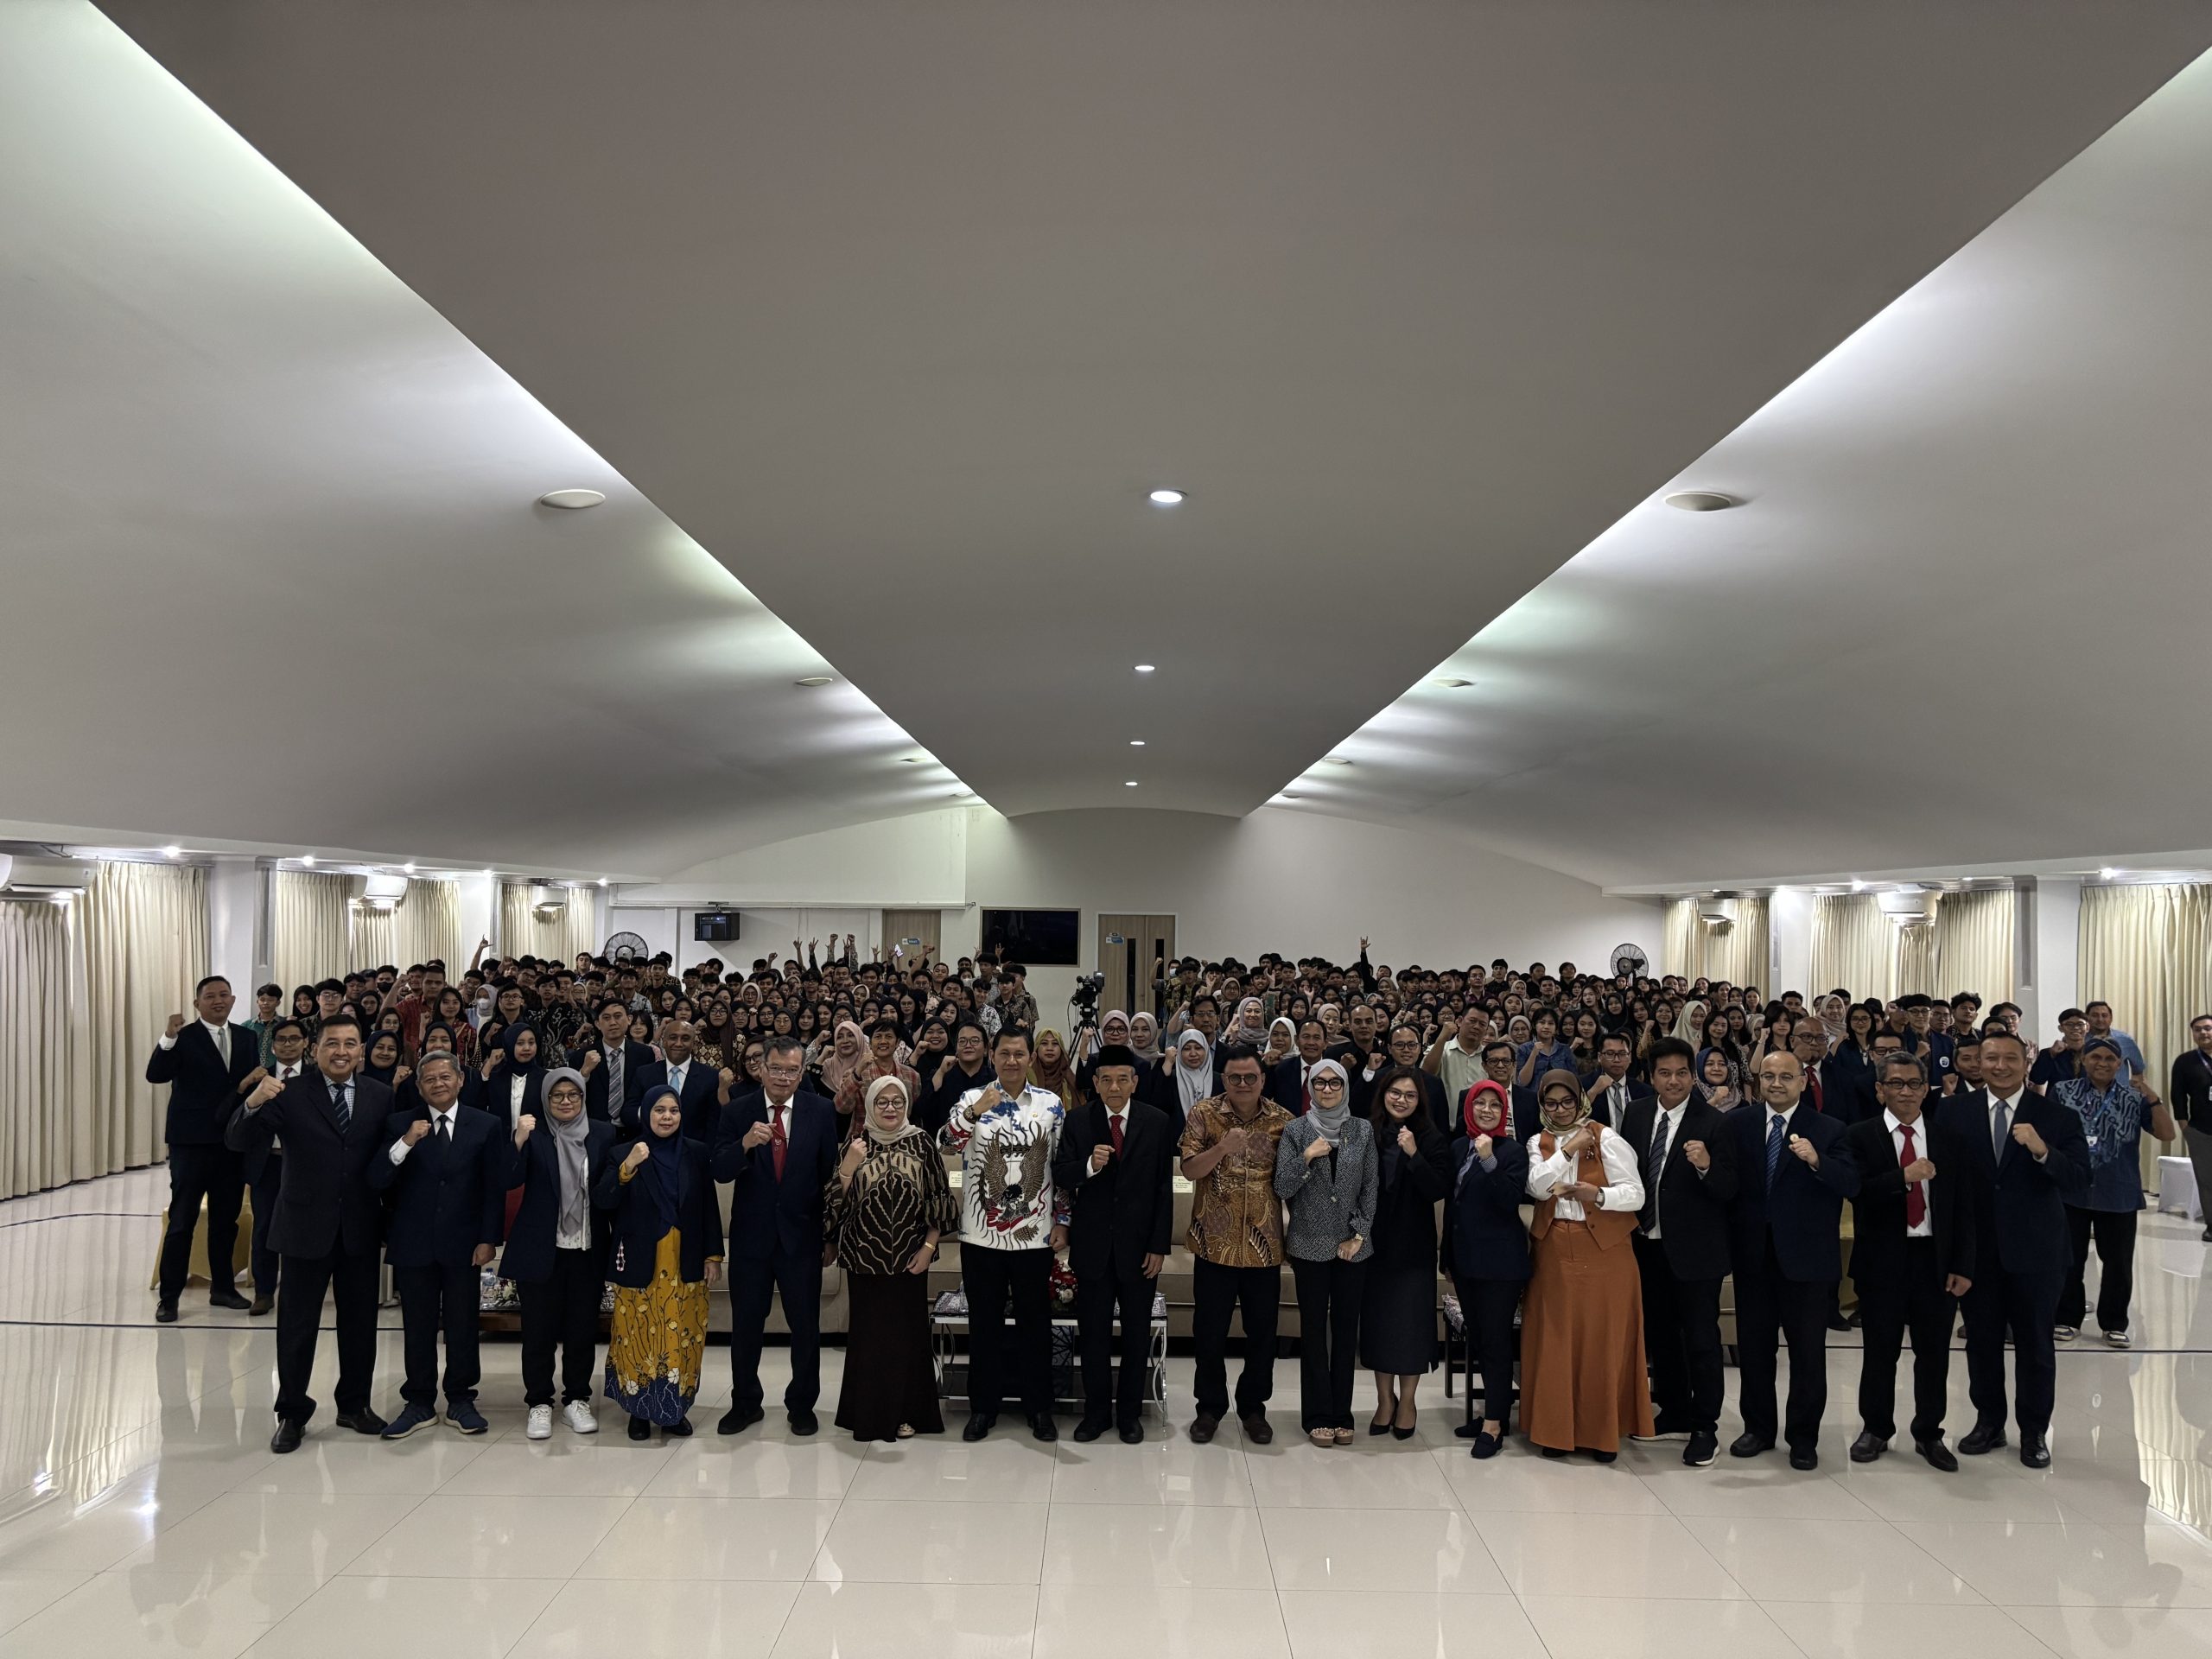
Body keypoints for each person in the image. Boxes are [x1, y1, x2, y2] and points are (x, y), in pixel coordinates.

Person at [226, 1015, 392, 1452]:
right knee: (297, 1326)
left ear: (361, 1051)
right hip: (303, 1227)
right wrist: (253, 1102)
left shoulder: (380, 1095)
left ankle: (354, 1404)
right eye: (332, 1043)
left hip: (359, 1227)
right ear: (314, 1049)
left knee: (360, 1324)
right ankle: (292, 1413)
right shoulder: (290, 1092)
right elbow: (238, 1140)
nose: (342, 1051)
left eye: (351, 1043)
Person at [1937, 1028, 2091, 1468]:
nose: (2000, 1066)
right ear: (1978, 1063)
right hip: (1976, 1254)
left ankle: (2034, 1431)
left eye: (2010, 1058)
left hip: (2038, 1252)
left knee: (2036, 1345)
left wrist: (2043, 1152)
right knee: (1981, 1342)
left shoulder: (2057, 1116)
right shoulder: (1952, 1112)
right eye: (1991, 1058)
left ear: (2027, 1063)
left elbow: (2080, 1179)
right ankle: (1989, 1422)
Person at [1725, 1050, 1859, 1469]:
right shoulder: (1738, 1124)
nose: (1776, 1084)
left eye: (1786, 1076)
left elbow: (1851, 1183)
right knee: (1755, 1350)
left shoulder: (1830, 1129)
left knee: (1807, 1354)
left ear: (1802, 1081)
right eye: (1768, 1076)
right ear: (1758, 1081)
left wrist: (1817, 1160)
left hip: (1807, 1261)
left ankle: (1803, 1438)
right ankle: (1758, 1429)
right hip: (1753, 1258)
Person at [1843, 1052, 1975, 1471]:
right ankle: (1875, 1428)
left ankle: (1929, 1432)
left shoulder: (1948, 1138)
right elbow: (1856, 1191)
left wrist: (1963, 1265)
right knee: (1879, 1351)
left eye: (1914, 1083)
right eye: (1896, 1083)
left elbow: (1964, 1208)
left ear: (1925, 1089)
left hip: (1934, 1259)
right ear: (1880, 1090)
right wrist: (1903, 1177)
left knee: (1933, 1354)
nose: (1906, 1091)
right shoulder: (1859, 1136)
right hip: (1881, 1260)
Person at [366, 1051, 505, 1438]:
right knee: (418, 1325)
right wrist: (406, 1142)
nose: (438, 1084)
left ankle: (461, 1398)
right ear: (418, 1086)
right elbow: (377, 1178)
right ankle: (419, 1401)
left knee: (463, 1324)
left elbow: (493, 1188)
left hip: (465, 1244)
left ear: (461, 1080)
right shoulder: (399, 1123)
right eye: (429, 1079)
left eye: (446, 1077)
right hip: (414, 1243)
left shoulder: (486, 1124)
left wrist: (489, 1238)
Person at [941, 1026, 1068, 1441]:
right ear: (992, 1056)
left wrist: (1063, 1221)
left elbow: (1061, 1168)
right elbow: (946, 1142)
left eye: (1019, 1054)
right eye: (1004, 1054)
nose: (1012, 1061)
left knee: (1036, 1324)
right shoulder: (971, 1099)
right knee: (984, 1325)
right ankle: (983, 1408)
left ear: (1031, 1058)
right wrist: (976, 1111)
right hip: (981, 1236)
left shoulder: (1051, 1104)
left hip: (1035, 1236)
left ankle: (1039, 1408)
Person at [712, 1034, 837, 1435]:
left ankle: (802, 1405)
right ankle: (745, 1403)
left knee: (805, 1326)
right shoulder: (738, 1110)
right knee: (747, 1325)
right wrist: (745, 1143)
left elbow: (829, 1179)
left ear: (802, 1073)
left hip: (802, 1237)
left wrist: (829, 1236)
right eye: (776, 1069)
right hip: (752, 1238)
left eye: (792, 1070)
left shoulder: (820, 1110)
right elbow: (719, 1169)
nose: (784, 1077)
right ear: (762, 1069)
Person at [1521, 1069, 1649, 1460]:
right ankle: (1555, 1430)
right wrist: (1568, 1149)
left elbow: (1637, 1195)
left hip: (1605, 1251)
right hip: (1555, 1250)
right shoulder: (1538, 1141)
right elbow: (1537, 1187)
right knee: (1556, 1339)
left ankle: (1601, 1433)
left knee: (1602, 1341)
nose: (1560, 1110)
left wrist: (1599, 1195)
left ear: (1580, 1100)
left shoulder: (1607, 1137)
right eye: (1551, 1103)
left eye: (1567, 1102)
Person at [1621, 1036, 1736, 1468]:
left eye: (1682, 1073)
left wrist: (1706, 1165)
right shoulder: (1635, 1114)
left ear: (1694, 1076)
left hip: (1696, 1253)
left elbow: (1730, 1189)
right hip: (1645, 1246)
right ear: (1652, 1077)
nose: (1674, 1081)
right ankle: (1673, 1412)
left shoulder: (1716, 1123)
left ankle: (1705, 1426)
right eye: (1665, 1073)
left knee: (1701, 1340)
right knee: (1660, 1334)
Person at [1052, 1044, 1174, 1443]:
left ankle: (1130, 1415)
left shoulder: (1156, 1121)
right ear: (1096, 1083)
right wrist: (1090, 1165)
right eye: (1107, 1080)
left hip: (1140, 1250)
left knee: (1137, 1336)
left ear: (1135, 1082)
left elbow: (1163, 1188)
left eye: (1123, 1079)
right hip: (1092, 1248)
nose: (1115, 1087)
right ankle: (1096, 1413)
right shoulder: (1078, 1120)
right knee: (1094, 1336)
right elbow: (1062, 1173)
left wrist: (1158, 1245)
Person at [827, 1075, 956, 1441]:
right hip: (863, 1258)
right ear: (869, 1105)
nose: (890, 1108)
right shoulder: (855, 1143)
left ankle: (907, 1412)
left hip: (910, 1259)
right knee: (869, 1340)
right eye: (881, 1102)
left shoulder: (922, 1142)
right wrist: (849, 1167)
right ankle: (869, 1416)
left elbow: (940, 1197)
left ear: (906, 1105)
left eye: (897, 1102)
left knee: (907, 1338)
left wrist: (928, 1248)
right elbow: (833, 1205)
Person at [1179, 1044, 1294, 1444]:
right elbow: (1190, 1170)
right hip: (1214, 1245)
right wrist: (1222, 1147)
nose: (1242, 1084)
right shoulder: (1204, 1113)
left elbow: (1291, 1183)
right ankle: (1209, 1408)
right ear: (1223, 1079)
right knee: (1209, 1333)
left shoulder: (1283, 1120)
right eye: (1234, 1078)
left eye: (1250, 1077)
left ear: (1262, 1079)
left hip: (1264, 1248)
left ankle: (1253, 1408)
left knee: (1262, 1335)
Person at [503, 1067, 615, 1439]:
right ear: (546, 1099)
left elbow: (609, 1191)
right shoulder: (534, 1135)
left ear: (583, 1097)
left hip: (586, 1247)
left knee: (582, 1330)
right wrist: (518, 1140)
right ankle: (539, 1402)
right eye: (557, 1096)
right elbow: (509, 1178)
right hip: (541, 1248)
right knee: (539, 1331)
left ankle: (577, 1399)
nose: (566, 1102)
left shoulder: (602, 1133)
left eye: (573, 1095)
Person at [148, 975, 263, 1319]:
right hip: (191, 1143)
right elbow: (156, 1074)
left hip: (231, 1143)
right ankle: (170, 1297)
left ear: (233, 1000)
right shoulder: (182, 1037)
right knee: (182, 1220)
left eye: (224, 995)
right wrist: (168, 1037)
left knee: (226, 1221)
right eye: (210, 996)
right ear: (197, 1003)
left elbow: (247, 1087)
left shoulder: (246, 1037)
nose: (218, 1001)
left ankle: (223, 1288)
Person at [1274, 1058, 1377, 1446]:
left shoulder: (1362, 1129)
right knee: (1314, 1331)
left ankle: (1341, 1413)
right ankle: (1317, 1414)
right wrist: (1307, 1157)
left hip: (1352, 1247)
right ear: (1311, 1087)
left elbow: (1370, 1187)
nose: (1328, 1089)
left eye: (1336, 1083)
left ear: (1345, 1087)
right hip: (1308, 1244)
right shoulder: (1296, 1130)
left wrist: (1360, 1234)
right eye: (1320, 1083)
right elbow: (1282, 1187)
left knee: (1346, 1332)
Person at [2052, 1037, 2173, 1348]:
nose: (2102, 1063)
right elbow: (2048, 1135)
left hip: (2118, 1191)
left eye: (2110, 1059)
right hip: (2072, 1191)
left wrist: (2153, 1098)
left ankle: (2114, 1323)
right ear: (2083, 1060)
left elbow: (2167, 1133)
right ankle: (2066, 1318)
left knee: (2118, 1264)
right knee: (2068, 1260)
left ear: (2119, 1064)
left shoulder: (2134, 1099)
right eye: (2096, 1057)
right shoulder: (2063, 1092)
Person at [1359, 1065, 1452, 1438]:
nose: (1401, 1100)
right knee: (1379, 1326)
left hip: (1413, 1248)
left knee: (1411, 1328)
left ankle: (1408, 1402)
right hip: (1374, 1246)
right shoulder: (1367, 1132)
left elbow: (1437, 1189)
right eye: (1395, 1093)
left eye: (1410, 1095)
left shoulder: (1431, 1137)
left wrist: (1414, 1154)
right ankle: (1385, 1400)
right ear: (1383, 1094)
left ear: (1419, 1101)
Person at [1449, 1079, 1530, 1459]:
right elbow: (1453, 1206)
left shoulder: (1513, 1151)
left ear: (1504, 1112)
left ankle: (1495, 1425)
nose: (1486, 1110)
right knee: (1479, 1340)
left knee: (1496, 1343)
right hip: (1466, 1262)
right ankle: (1492, 1413)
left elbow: (1508, 1200)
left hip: (1500, 1265)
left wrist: (1489, 1160)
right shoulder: (1457, 1147)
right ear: (1468, 1108)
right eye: (1479, 1103)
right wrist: (1447, 1260)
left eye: (1494, 1105)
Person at [241, 1017, 312, 1316]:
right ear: (272, 1046)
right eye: (281, 1040)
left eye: (294, 1039)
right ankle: (264, 1291)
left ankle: (303, 1290)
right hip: (268, 1163)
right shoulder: (260, 1077)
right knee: (265, 1228)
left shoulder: (317, 1077)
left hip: (306, 1165)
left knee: (306, 1227)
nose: (287, 1045)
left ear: (306, 1043)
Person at [569, 995, 656, 1125]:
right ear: (598, 1024)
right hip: (595, 1128)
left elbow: (648, 1092)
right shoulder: (580, 1057)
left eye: (618, 1016)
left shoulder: (645, 1054)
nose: (613, 1022)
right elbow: (571, 1095)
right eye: (606, 1018)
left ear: (629, 1019)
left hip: (633, 1127)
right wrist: (584, 1073)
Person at [636, 1017, 721, 1141]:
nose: (678, 1043)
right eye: (673, 1038)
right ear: (664, 1042)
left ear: (694, 1044)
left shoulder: (711, 1077)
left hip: (693, 1149)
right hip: (650, 1146)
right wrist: (650, 1113)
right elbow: (629, 1111)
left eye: (685, 1039)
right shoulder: (644, 1073)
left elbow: (713, 1122)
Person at [2170, 1014, 2212, 1243]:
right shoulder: (2185, 1061)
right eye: (2198, 1029)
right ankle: (2211, 1225)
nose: (2204, 1033)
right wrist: (2184, 1126)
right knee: (2207, 1180)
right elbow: (2177, 1095)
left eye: (2208, 1028)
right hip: (2200, 1130)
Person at [1584, 1032, 1651, 1126]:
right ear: (1599, 1057)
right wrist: (1592, 1093)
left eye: (1622, 1054)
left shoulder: (1645, 1091)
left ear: (1630, 1057)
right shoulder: (1583, 1085)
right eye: (1610, 1054)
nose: (1617, 1060)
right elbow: (1574, 1121)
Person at [1268, 1019, 1328, 1116]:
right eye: (1306, 1037)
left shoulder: (1333, 1071)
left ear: (1325, 1043)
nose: (1311, 1042)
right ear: (1296, 1040)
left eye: (1316, 1037)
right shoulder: (1281, 1070)